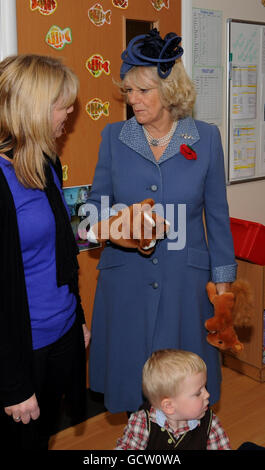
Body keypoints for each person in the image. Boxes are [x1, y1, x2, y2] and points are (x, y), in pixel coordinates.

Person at [86, 28, 237, 414]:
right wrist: (121, 228)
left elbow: (217, 219)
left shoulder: (205, 138)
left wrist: (224, 293)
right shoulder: (113, 137)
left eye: (143, 90)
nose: (133, 100)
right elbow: (92, 213)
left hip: (185, 288)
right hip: (126, 285)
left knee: (185, 393)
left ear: (170, 91)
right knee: (137, 391)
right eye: (129, 91)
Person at [0, 54, 90, 450]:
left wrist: (78, 319)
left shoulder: (46, 160)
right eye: (62, 105)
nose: (71, 113)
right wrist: (12, 383)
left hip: (61, 334)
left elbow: (63, 252)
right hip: (20, 352)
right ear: (33, 109)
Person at [115, 349, 231, 450]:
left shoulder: (210, 424)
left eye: (205, 387)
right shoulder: (142, 423)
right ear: (169, 406)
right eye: (198, 393)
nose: (207, 395)